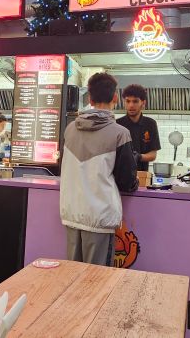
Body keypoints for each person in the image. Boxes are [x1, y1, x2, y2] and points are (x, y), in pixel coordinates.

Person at [59, 72, 138, 266]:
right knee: (97, 279)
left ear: (90, 99)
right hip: (100, 218)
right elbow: (127, 182)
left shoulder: (70, 129)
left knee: (73, 276)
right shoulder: (120, 134)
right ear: (115, 98)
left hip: (72, 214)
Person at [117, 84, 161, 172]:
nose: (131, 105)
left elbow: (153, 155)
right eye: (128, 101)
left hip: (142, 175)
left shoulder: (150, 124)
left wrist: (139, 156)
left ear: (143, 103)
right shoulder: (118, 124)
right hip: (120, 176)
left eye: (135, 101)